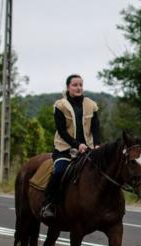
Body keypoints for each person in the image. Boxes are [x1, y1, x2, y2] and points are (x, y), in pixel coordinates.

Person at [41, 74, 102, 219]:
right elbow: (61, 131)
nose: (78, 87)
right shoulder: (60, 105)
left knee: (101, 172)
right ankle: (49, 203)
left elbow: (96, 128)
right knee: (59, 171)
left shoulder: (91, 105)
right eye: (75, 85)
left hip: (87, 150)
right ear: (68, 87)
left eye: (81, 84)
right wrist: (77, 144)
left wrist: (97, 144)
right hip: (64, 149)